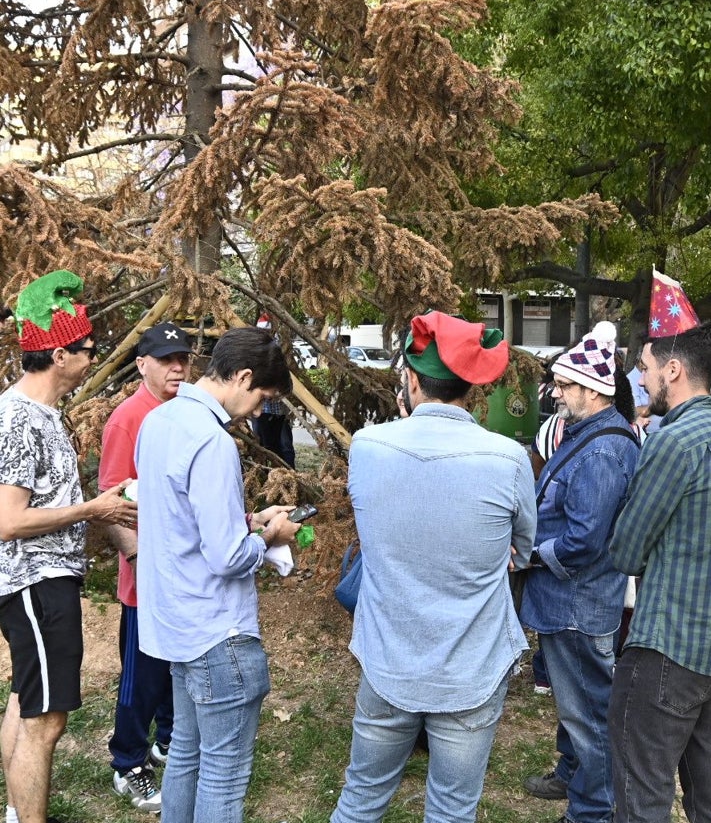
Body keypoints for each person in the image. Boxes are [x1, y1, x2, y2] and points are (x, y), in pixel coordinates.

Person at [330, 310, 537, 823]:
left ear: (412, 379)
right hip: (471, 668)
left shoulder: (369, 446)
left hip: (388, 659)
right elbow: (523, 551)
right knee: (451, 810)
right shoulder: (508, 458)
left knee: (360, 800)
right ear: (471, 388)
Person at [134, 326, 302, 823]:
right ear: (244, 377)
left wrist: (246, 522)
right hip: (217, 632)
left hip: (176, 623)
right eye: (262, 399)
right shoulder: (213, 441)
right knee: (224, 773)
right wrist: (270, 536)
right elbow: (227, 558)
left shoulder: (158, 422)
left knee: (185, 751)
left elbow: (177, 518)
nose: (257, 412)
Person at [0, 270, 137, 823]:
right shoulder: (17, 420)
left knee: (23, 702)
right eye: (87, 348)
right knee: (47, 720)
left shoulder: (39, 414)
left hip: (42, 579)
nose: (91, 355)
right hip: (35, 580)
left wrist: (96, 501)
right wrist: (91, 510)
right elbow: (7, 520)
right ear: (59, 354)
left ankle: (15, 811)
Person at [520, 321, 640, 823]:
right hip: (569, 601)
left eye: (565, 385)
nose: (556, 392)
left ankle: (591, 810)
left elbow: (585, 540)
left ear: (592, 390)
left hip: (577, 605)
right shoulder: (586, 433)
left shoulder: (606, 449)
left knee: (588, 713)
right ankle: (573, 771)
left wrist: (530, 553)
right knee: (579, 704)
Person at [609, 323, 711, 823]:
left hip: (670, 645)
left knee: (641, 796)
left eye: (646, 369)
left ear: (675, 370)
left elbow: (626, 551)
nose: (643, 382)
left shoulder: (676, 441)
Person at [98, 321, 193, 813]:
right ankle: (128, 759)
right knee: (142, 676)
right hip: (146, 582)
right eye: (165, 359)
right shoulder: (128, 419)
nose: (177, 367)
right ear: (142, 364)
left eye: (183, 359)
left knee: (175, 667)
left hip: (183, 577)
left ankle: (169, 739)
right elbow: (110, 500)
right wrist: (137, 559)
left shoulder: (186, 413)